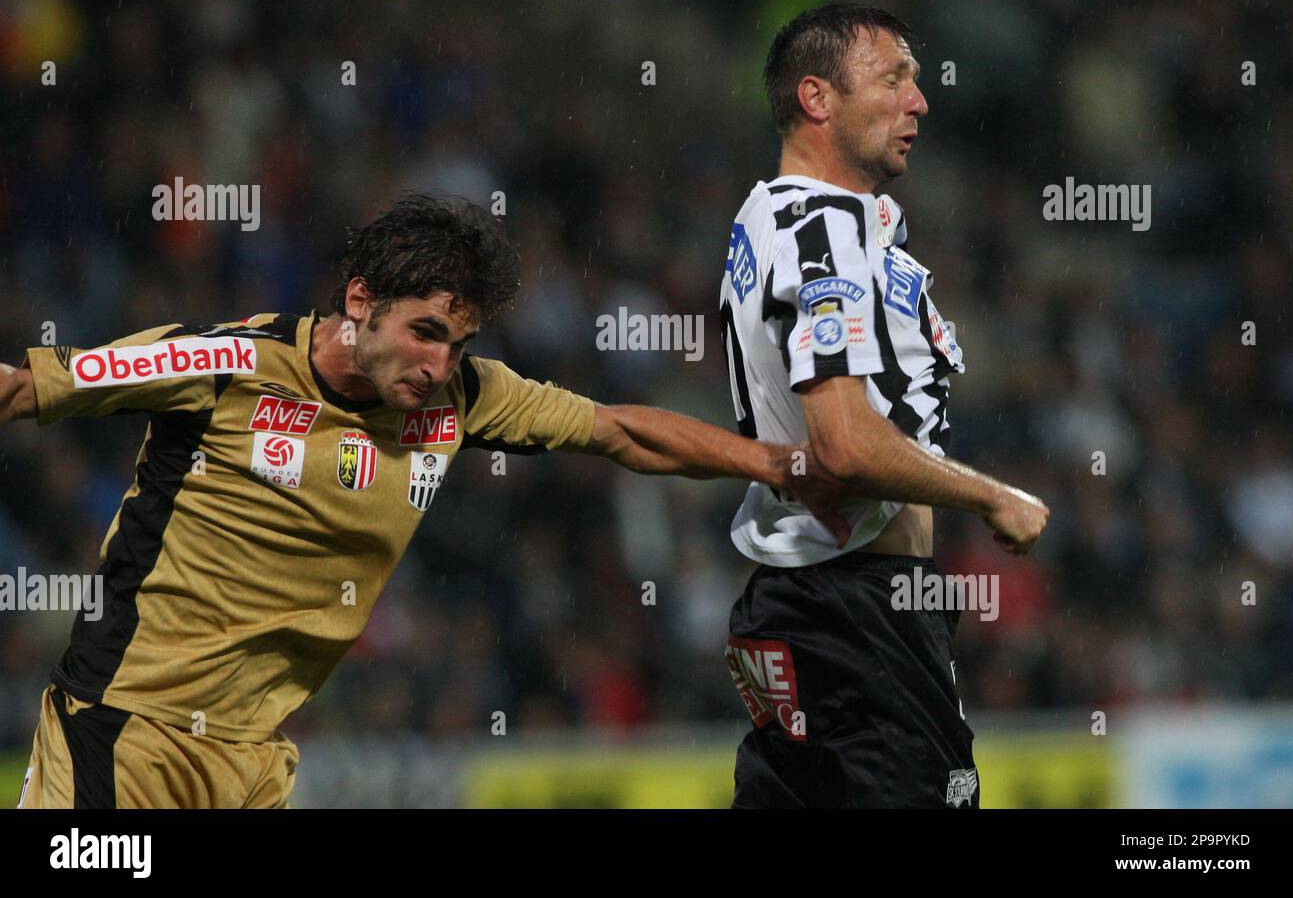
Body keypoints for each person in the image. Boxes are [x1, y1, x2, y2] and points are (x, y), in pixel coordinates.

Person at [0, 191, 852, 809]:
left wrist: (779, 464)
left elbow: (621, 432)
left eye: (460, 342)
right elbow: (20, 392)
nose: (440, 365)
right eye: (426, 333)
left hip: (253, 763)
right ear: (360, 301)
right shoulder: (223, 364)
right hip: (121, 737)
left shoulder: (464, 399)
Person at [718, 4, 1050, 808]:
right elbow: (844, 446)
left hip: (800, 599)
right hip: (859, 609)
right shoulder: (821, 227)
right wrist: (991, 495)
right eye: (894, 78)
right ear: (817, 98)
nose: (919, 101)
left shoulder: (780, 215)